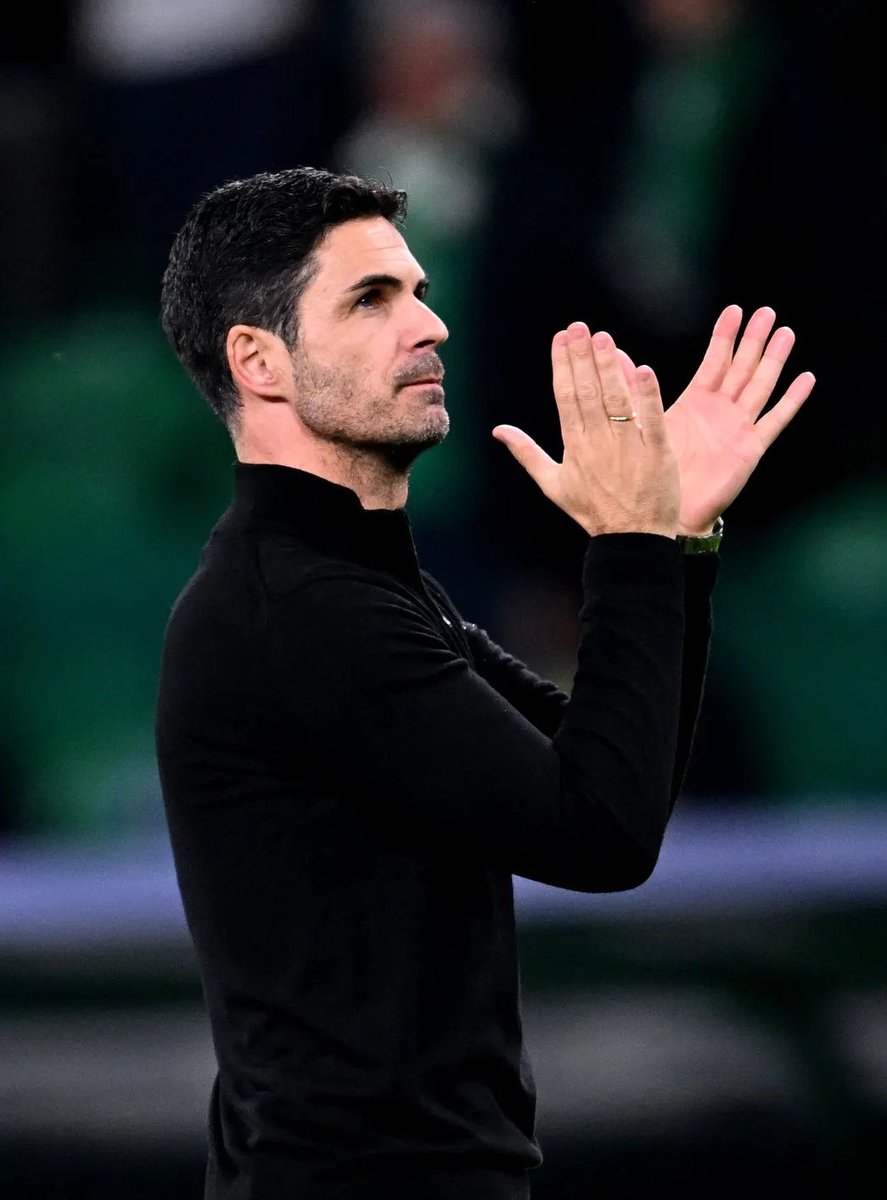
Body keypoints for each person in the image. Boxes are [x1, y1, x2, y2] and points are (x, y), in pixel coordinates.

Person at [155, 165, 813, 1200]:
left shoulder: (353, 590)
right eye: (371, 299)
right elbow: (597, 833)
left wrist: (671, 538)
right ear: (258, 360)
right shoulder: (303, 609)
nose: (431, 326)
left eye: (417, 292)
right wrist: (631, 543)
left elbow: (609, 771)